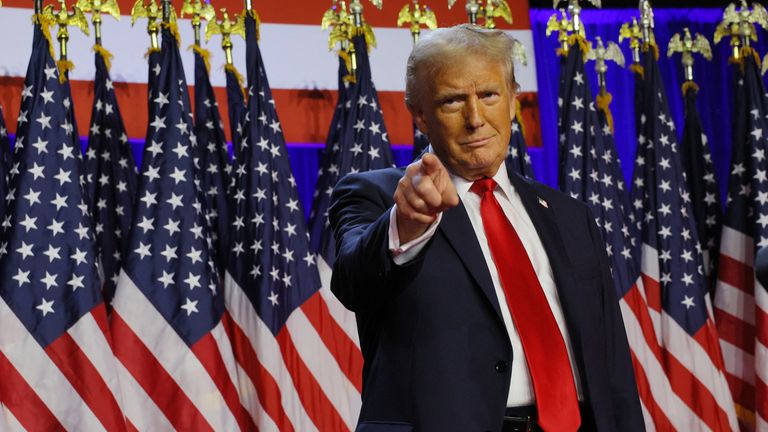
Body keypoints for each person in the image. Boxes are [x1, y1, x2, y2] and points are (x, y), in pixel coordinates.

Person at [329, 24, 643, 432]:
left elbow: (611, 364)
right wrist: (406, 224)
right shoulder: (381, 197)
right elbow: (353, 282)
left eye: (489, 95)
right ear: (421, 116)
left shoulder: (570, 216)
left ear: (513, 100)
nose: (475, 119)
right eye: (453, 100)